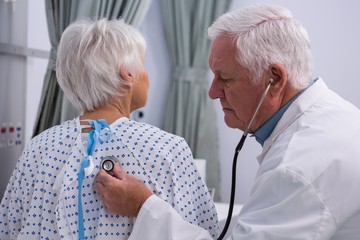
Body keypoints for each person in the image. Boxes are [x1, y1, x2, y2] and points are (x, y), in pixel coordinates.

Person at [95, 4, 360, 240]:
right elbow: (253, 223)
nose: (212, 92)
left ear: (275, 79)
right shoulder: (330, 115)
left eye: (226, 78)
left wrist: (143, 207)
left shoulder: (299, 168)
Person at [0, 19, 218, 239]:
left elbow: (6, 229)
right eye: (142, 64)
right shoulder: (168, 149)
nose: (148, 76)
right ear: (128, 73)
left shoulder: (37, 148)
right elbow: (205, 231)